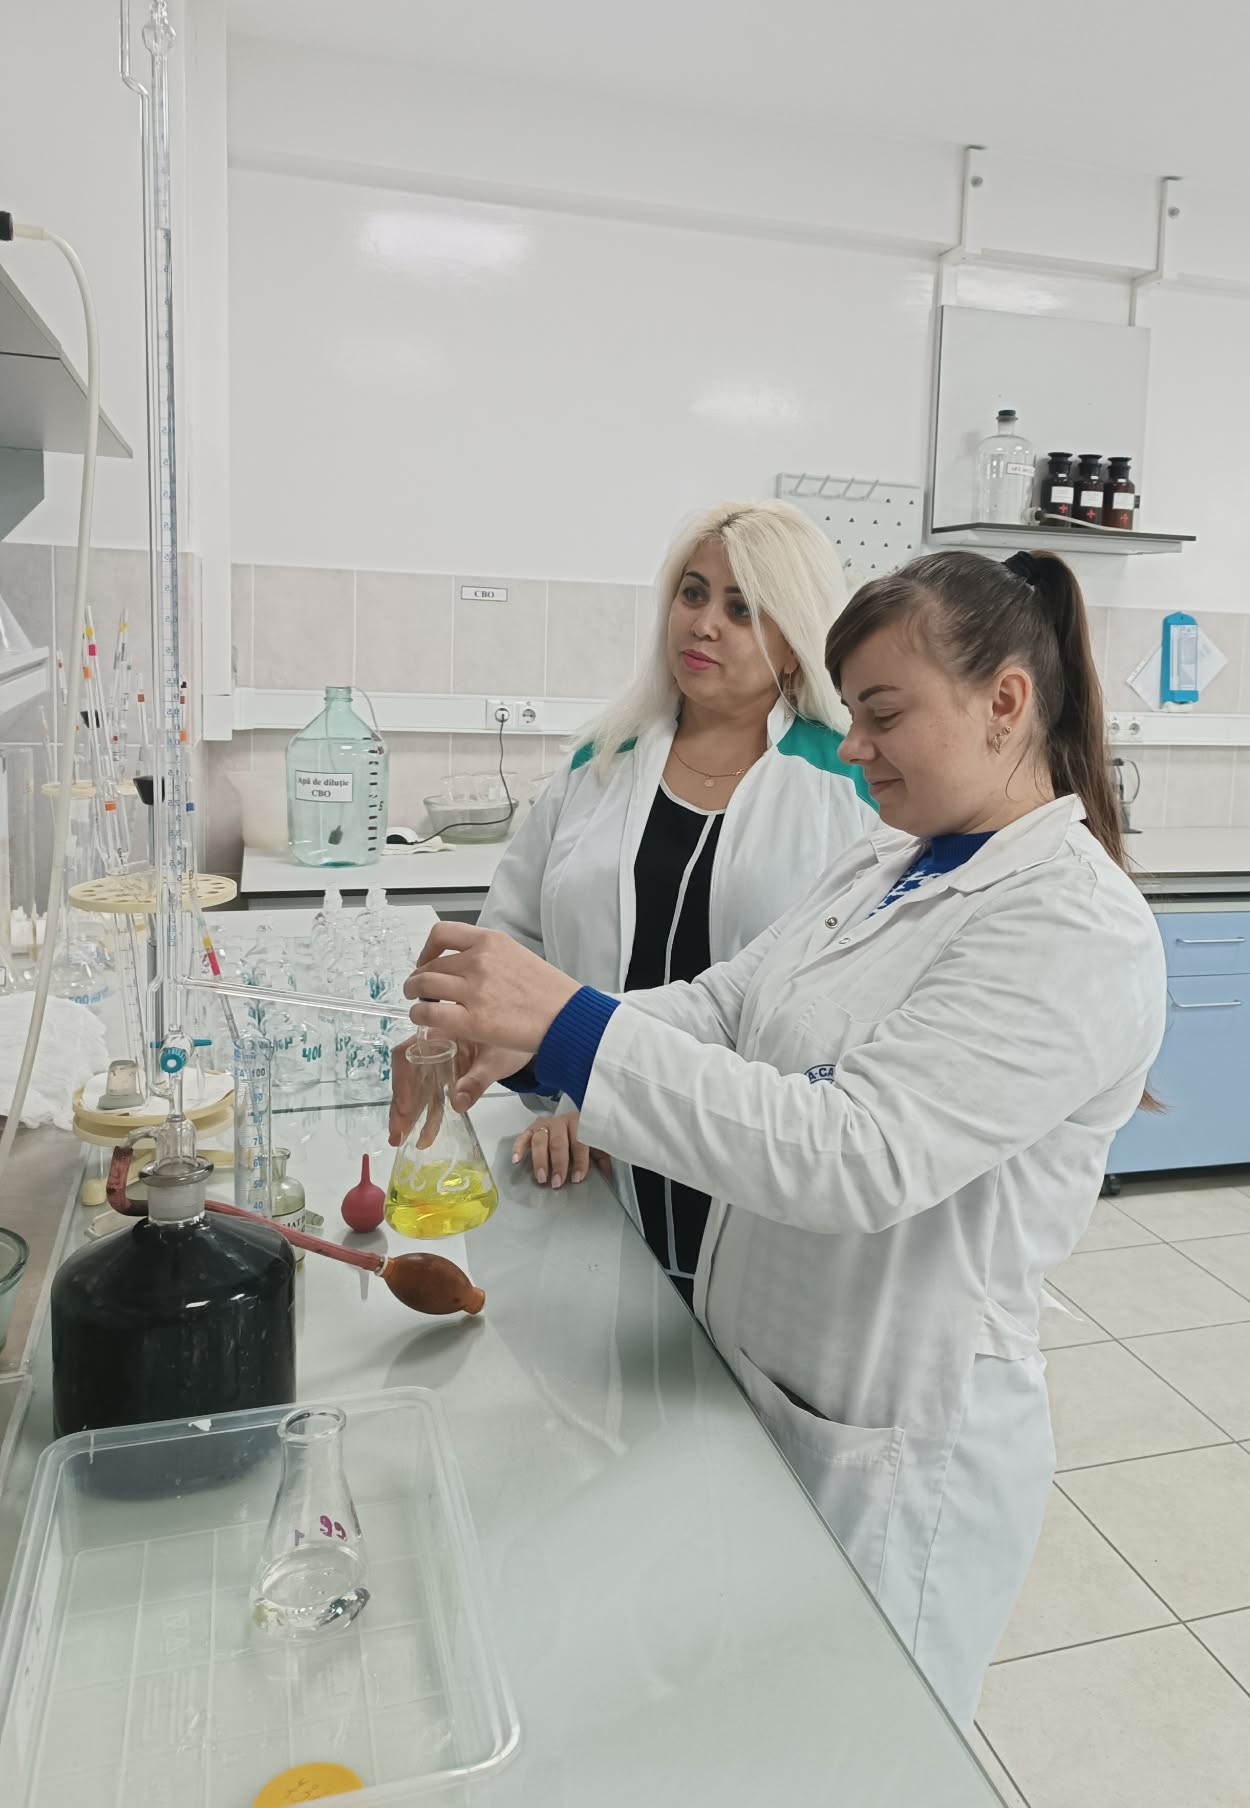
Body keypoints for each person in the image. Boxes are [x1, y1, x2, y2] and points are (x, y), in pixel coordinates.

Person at [394, 549, 1166, 1723]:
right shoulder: (885, 858)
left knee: (855, 1748)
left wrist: (572, 1027)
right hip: (764, 1377)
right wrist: (528, 1043)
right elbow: (726, 1004)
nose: (852, 747)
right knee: (739, 1725)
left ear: (1006, 700)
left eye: (883, 714)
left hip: (893, 1438)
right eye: (852, 713)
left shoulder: (1076, 923)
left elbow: (855, 1154)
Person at [444, 499, 876, 1307]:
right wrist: (564, 1095)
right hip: (583, 1160)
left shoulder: (848, 784)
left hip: (751, 1162)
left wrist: (627, 1096)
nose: (704, 624)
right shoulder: (599, 762)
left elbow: (841, 1003)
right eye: (693, 593)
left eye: (743, 609)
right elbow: (515, 942)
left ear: (795, 640)